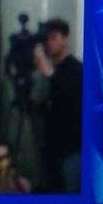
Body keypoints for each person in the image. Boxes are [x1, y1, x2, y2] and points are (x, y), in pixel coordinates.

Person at [33, 17, 83, 193]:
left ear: (65, 39)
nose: (50, 43)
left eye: (54, 37)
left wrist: (49, 73)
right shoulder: (50, 70)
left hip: (71, 150)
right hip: (50, 148)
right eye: (47, 38)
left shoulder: (76, 69)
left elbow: (73, 96)